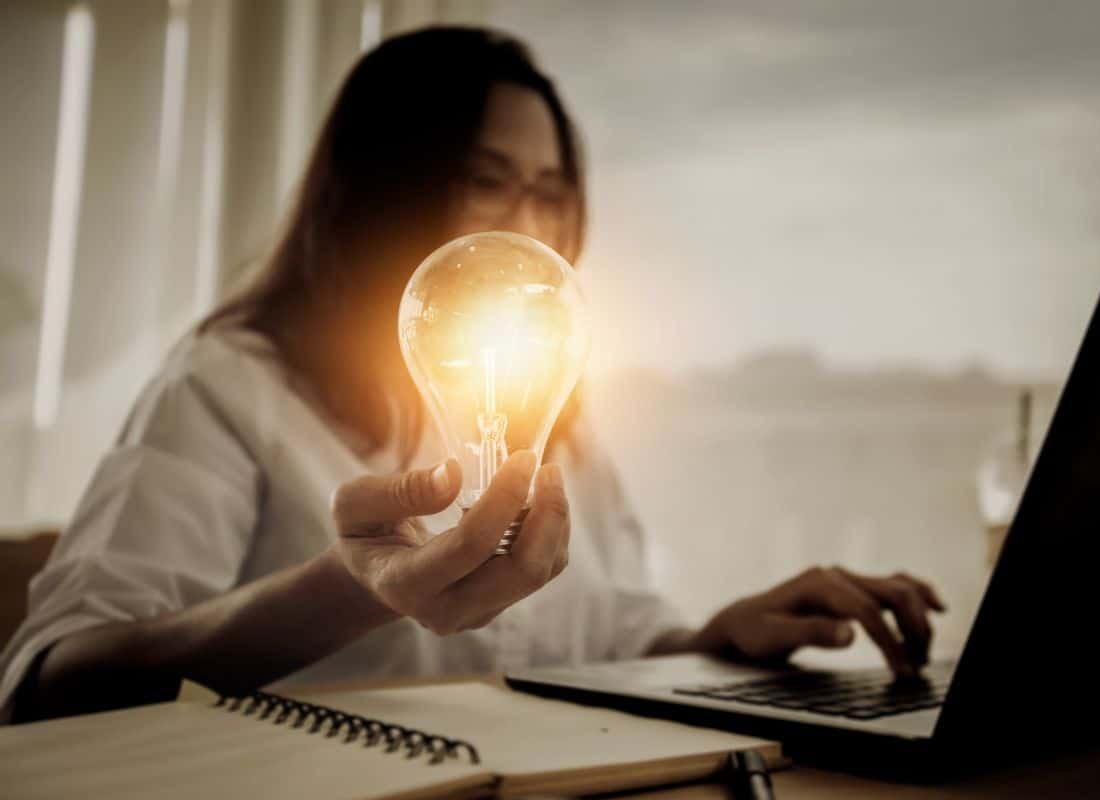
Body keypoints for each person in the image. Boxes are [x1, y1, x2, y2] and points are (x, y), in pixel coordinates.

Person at [0, 27, 944, 724]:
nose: (525, 227)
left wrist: (713, 638)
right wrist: (351, 586)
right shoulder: (230, 387)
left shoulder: (546, 412)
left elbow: (595, 629)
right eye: (486, 180)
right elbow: (46, 683)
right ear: (384, 192)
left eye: (548, 191)